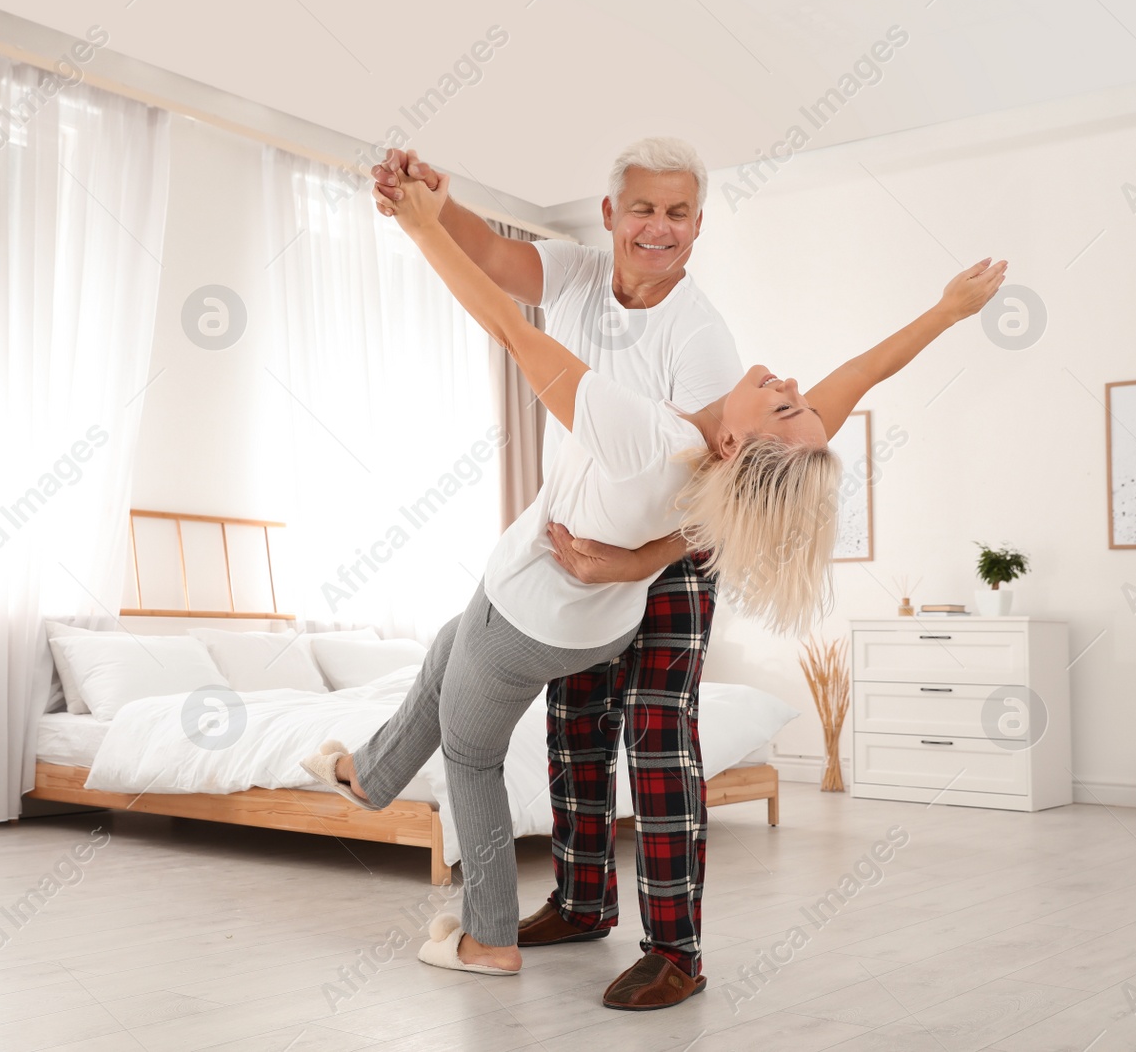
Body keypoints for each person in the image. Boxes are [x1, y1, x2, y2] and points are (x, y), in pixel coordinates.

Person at [303, 160, 1007, 990]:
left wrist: (420, 228)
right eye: (642, 209)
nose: (789, 383)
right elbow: (857, 376)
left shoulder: (655, 421)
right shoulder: (738, 449)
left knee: (511, 746)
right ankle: (374, 778)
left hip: (551, 600)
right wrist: (945, 312)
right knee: (459, 654)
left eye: (787, 404)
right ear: (611, 214)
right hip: (593, 615)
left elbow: (511, 332)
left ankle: (540, 940)